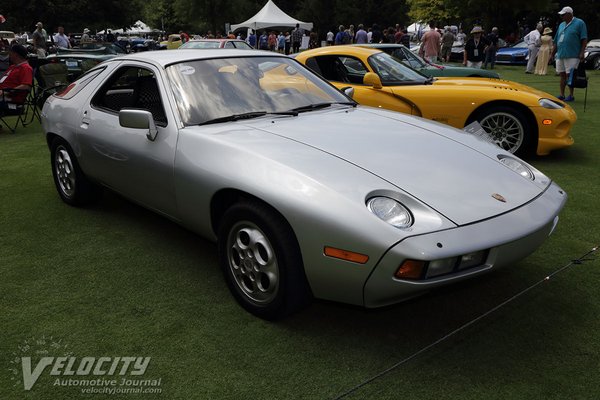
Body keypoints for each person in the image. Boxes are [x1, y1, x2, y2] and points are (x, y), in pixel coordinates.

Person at [552, 6, 587, 101]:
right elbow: (556, 41)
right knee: (562, 74)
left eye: (563, 15)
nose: (562, 17)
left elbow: (584, 38)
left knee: (570, 75)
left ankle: (571, 95)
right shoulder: (561, 25)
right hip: (561, 54)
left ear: (569, 14)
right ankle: (562, 94)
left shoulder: (580, 23)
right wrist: (552, 54)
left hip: (573, 54)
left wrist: (582, 52)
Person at [0, 44, 33, 117]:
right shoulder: (13, 67)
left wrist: (4, 92)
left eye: (10, 52)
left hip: (13, 103)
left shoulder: (26, 68)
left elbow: (26, 86)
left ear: (15, 54)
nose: (9, 54)